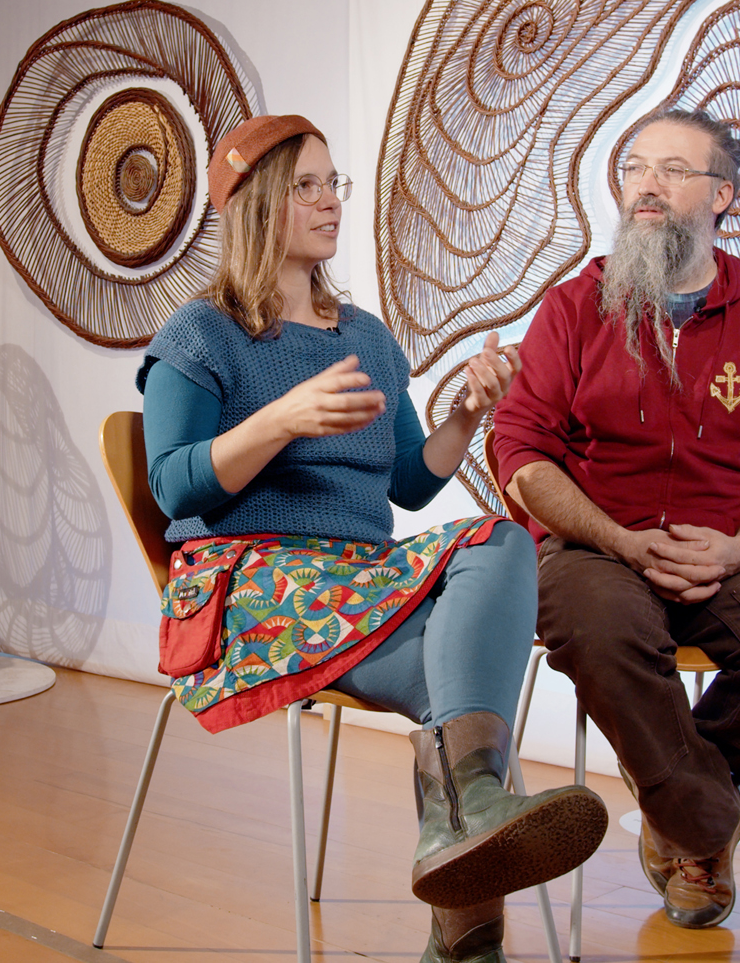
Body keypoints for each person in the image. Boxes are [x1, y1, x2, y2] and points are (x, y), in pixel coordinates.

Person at [139, 114, 607, 963]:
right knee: (464, 680)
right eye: (306, 186)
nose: (330, 201)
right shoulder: (201, 333)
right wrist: (281, 420)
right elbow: (172, 483)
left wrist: (467, 415)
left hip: (361, 578)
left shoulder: (367, 338)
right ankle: (468, 911)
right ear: (256, 204)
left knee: (498, 544)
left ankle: (463, 831)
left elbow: (408, 482)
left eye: (333, 183)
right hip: (254, 581)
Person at [491, 109, 740, 930]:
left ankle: (678, 796)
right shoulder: (572, 307)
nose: (646, 185)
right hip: (598, 546)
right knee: (598, 626)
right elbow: (520, 450)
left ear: (722, 194)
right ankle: (706, 827)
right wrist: (619, 539)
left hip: (729, 550)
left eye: (672, 169)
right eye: (634, 167)